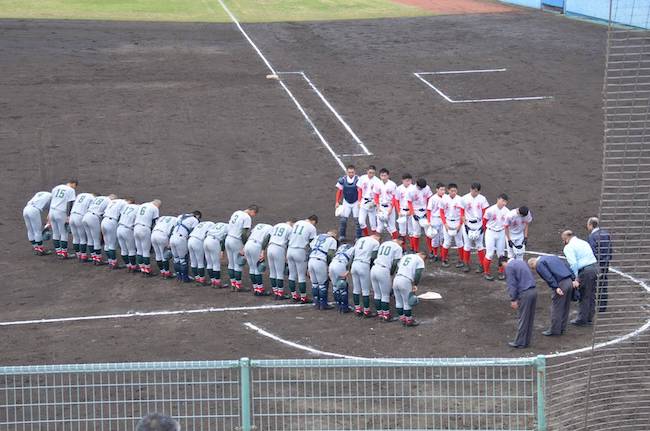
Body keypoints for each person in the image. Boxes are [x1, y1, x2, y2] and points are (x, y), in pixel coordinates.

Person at [528, 256, 574, 336]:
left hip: (561, 284)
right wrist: (573, 279)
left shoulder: (539, 264)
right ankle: (562, 327)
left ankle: (555, 330)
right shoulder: (552, 257)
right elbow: (567, 266)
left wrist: (555, 287)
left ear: (533, 264)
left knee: (557, 307)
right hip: (569, 281)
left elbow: (548, 276)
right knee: (566, 306)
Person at [562, 230, 598, 325]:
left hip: (585, 271)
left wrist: (575, 278)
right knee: (591, 294)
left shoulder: (569, 247)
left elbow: (573, 264)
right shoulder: (583, 242)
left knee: (584, 294)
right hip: (595, 268)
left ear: (566, 239)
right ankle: (589, 317)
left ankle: (582, 319)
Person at [504, 258, 537, 348]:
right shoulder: (521, 262)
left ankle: (519, 342)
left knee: (523, 318)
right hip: (533, 291)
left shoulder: (509, 267)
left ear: (504, 263)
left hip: (525, 293)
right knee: (529, 318)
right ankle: (526, 341)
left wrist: (513, 299)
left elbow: (512, 284)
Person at [225, 205, 258, 291]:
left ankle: (233, 284)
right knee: (237, 264)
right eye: (254, 214)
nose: (253, 216)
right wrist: (245, 244)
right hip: (236, 240)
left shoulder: (236, 212)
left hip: (228, 239)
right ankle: (238, 286)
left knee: (231, 263)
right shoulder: (247, 217)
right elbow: (244, 233)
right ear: (252, 211)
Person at [287, 215, 318, 302]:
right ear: (313, 221)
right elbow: (312, 243)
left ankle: (294, 296)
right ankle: (303, 297)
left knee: (292, 274)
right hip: (300, 251)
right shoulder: (311, 227)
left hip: (290, 250)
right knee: (301, 276)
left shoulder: (297, 223)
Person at [371, 237, 404, 321]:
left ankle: (379, 313)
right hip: (383, 270)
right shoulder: (398, 247)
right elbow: (395, 263)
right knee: (385, 295)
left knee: (377, 294)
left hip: (374, 269)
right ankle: (386, 315)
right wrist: (391, 273)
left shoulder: (384, 243)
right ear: (400, 241)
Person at [461, 182, 489, 273]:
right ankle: (466, 264)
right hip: (467, 224)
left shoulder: (482, 199)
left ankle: (482, 265)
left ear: (479, 191)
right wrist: (464, 223)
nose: (474, 192)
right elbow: (461, 212)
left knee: (479, 245)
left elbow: (485, 213)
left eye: (476, 191)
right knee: (467, 245)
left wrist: (483, 227)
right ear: (470, 189)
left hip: (479, 224)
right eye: (472, 190)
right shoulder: (464, 198)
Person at [350, 233, 381, 316]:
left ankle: (357, 309)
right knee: (365, 290)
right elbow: (373, 257)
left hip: (354, 264)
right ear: (376, 237)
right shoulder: (375, 242)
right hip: (364, 265)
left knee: (356, 289)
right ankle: (366, 311)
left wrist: (349, 267)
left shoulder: (360, 239)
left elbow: (352, 254)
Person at [392, 252, 426, 327]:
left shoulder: (405, 256)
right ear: (422, 255)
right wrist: (415, 284)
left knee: (398, 300)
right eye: (424, 258)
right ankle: (409, 320)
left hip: (396, 279)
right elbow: (418, 273)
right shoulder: (419, 259)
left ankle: (402, 318)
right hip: (405, 280)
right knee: (407, 302)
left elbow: (398, 267)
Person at [587, 217, 612, 313]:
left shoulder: (592, 237)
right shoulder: (606, 234)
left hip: (597, 264)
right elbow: (610, 249)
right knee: (603, 284)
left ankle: (591, 306)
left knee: (592, 285)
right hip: (605, 263)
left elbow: (592, 252)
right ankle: (602, 307)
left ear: (591, 225)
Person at [308, 230, 338, 309]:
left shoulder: (318, 236)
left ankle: (316, 302)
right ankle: (323, 304)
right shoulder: (332, 240)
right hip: (320, 262)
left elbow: (309, 248)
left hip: (311, 260)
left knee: (314, 283)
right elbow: (330, 255)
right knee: (322, 284)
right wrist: (328, 265)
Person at [82, 194, 116, 265]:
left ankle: (94, 257)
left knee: (90, 238)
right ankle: (98, 259)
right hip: (93, 218)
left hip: (86, 216)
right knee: (96, 239)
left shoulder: (99, 198)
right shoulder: (109, 201)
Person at [482, 193, 510, 281]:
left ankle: (501, 271)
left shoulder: (507, 211)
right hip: (490, 232)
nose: (504, 203)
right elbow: (484, 221)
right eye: (503, 201)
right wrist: (484, 232)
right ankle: (486, 272)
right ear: (498, 199)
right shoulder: (490, 210)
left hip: (501, 233)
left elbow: (507, 224)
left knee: (501, 254)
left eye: (505, 202)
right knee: (489, 253)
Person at [48, 179, 78, 258]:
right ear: (73, 184)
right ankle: (64, 253)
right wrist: (69, 216)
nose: (75, 188)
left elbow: (52, 200)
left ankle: (58, 252)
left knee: (55, 232)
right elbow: (71, 203)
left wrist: (49, 214)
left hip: (52, 211)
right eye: (75, 186)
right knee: (64, 233)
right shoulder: (71, 190)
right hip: (60, 212)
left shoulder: (56, 188)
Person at [170, 211, 202, 282]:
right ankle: (185, 278)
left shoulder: (180, 216)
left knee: (176, 259)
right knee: (183, 259)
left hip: (172, 237)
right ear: (197, 216)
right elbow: (193, 232)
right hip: (181, 239)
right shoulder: (194, 220)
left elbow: (172, 227)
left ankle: (179, 276)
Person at [266, 219, 295, 299]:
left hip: (270, 247)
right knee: (279, 272)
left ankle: (275, 292)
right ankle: (280, 294)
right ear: (292, 223)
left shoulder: (277, 225)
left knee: (272, 272)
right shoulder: (290, 229)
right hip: (279, 249)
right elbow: (290, 243)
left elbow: (267, 237)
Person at [101, 196, 132, 269]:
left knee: (107, 243)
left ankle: (110, 261)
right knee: (112, 244)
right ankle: (114, 263)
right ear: (129, 201)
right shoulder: (125, 203)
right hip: (112, 222)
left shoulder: (114, 201)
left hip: (104, 220)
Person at [244, 223, 274, 295]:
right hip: (256, 246)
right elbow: (267, 239)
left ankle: (256, 288)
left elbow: (249, 234)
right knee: (257, 268)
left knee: (252, 268)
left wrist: (244, 246)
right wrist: (263, 250)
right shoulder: (271, 228)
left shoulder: (258, 225)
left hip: (248, 244)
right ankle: (260, 290)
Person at [439, 183, 464, 268]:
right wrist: (445, 224)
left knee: (459, 242)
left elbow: (462, 214)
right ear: (448, 191)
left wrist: (460, 225)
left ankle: (461, 260)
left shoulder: (460, 199)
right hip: (448, 222)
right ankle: (444, 259)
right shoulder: (443, 199)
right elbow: (441, 212)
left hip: (458, 221)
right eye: (452, 191)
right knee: (447, 242)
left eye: (455, 191)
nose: (454, 192)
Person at [133, 199, 162, 274]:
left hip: (136, 227)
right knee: (145, 251)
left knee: (139, 250)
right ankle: (147, 270)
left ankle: (142, 268)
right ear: (157, 204)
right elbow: (155, 221)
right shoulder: (154, 208)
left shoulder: (143, 205)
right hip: (144, 229)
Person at [335, 164, 361, 241]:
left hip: (355, 202)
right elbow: (339, 191)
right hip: (346, 202)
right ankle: (342, 236)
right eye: (349, 172)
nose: (351, 174)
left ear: (355, 172)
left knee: (357, 221)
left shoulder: (358, 179)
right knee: (343, 220)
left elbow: (360, 191)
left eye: (352, 172)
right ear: (346, 172)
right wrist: (337, 201)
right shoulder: (342, 180)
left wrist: (359, 201)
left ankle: (358, 236)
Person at [22, 190, 52, 255]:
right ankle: (41, 250)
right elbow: (51, 212)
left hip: (26, 209)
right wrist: (48, 224)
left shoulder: (40, 193)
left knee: (30, 230)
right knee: (37, 231)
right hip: (34, 211)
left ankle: (35, 247)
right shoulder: (52, 197)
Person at [329, 242, 355, 312]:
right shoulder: (353, 248)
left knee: (335, 286)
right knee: (342, 285)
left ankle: (338, 304)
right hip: (340, 265)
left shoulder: (341, 247)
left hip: (332, 264)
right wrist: (348, 270)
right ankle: (344, 307)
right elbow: (351, 260)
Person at [68, 191, 94, 261]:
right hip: (79, 217)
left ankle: (78, 254)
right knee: (82, 238)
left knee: (75, 237)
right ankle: (84, 256)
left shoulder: (80, 195)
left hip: (72, 216)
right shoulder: (92, 197)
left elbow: (71, 204)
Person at [373, 168, 398, 239]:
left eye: (385, 175)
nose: (383, 177)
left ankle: (396, 244)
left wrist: (390, 209)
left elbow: (394, 198)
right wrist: (378, 207)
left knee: (392, 227)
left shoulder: (392, 184)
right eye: (382, 175)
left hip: (389, 207)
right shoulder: (377, 184)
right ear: (380, 176)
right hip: (381, 207)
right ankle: (375, 243)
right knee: (379, 227)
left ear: (388, 176)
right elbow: (376, 196)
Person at [187, 219, 214, 284]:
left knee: (193, 261)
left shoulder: (201, 223)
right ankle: (202, 280)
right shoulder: (212, 225)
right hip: (198, 241)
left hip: (190, 240)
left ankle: (197, 278)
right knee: (200, 262)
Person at [409, 178, 432, 252]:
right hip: (416, 212)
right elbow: (409, 202)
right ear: (416, 184)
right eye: (420, 187)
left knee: (429, 233)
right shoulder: (411, 190)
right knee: (416, 233)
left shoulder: (427, 188)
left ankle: (431, 250)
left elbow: (429, 199)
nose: (421, 189)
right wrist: (413, 214)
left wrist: (428, 212)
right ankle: (415, 250)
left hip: (425, 212)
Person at [357, 165, 381, 236]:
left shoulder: (377, 181)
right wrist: (359, 201)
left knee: (373, 224)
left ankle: (375, 238)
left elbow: (378, 194)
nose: (371, 174)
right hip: (363, 201)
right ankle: (367, 236)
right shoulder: (362, 178)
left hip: (372, 202)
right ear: (367, 171)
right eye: (370, 172)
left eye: (373, 173)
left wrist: (375, 203)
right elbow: (360, 190)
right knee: (361, 222)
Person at [394, 173, 416, 250]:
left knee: (411, 231)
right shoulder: (399, 188)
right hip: (402, 211)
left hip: (411, 212)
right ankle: (403, 248)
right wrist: (398, 211)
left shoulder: (414, 188)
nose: (408, 182)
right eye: (406, 181)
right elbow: (396, 200)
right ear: (402, 181)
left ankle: (413, 248)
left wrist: (412, 211)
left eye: (409, 180)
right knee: (402, 231)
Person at [116, 201, 140, 271]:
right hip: (127, 229)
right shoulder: (138, 208)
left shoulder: (126, 207)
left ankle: (128, 265)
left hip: (119, 228)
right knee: (131, 250)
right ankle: (133, 267)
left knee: (123, 249)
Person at [203, 222, 228, 288]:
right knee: (216, 264)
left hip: (206, 240)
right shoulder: (228, 227)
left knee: (209, 263)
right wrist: (222, 250)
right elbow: (224, 239)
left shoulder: (217, 224)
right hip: (214, 241)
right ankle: (217, 283)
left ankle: (213, 281)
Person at [426, 183, 446, 261]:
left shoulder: (446, 197)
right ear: (437, 190)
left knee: (442, 237)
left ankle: (442, 254)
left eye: (444, 189)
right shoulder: (433, 198)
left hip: (444, 219)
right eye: (441, 189)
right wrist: (429, 221)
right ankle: (435, 254)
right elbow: (429, 210)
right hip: (435, 219)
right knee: (434, 238)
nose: (443, 191)